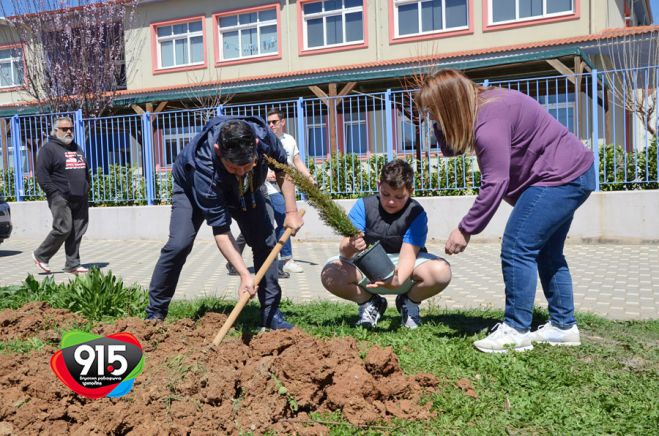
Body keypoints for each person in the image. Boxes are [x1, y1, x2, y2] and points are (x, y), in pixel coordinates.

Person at [415, 69, 595, 353]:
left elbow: (496, 182)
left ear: (450, 105)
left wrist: (466, 228)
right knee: (547, 252)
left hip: (558, 179)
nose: (432, 117)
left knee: (516, 247)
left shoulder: (490, 121)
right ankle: (563, 326)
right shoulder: (481, 105)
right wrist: (439, 123)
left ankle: (516, 329)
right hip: (572, 174)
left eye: (434, 111)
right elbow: (452, 150)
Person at [145, 115, 303, 329]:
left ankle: (271, 312)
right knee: (178, 245)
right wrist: (244, 275)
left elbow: (283, 170)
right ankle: (155, 313)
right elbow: (221, 231)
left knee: (265, 241)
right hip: (191, 190)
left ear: (255, 147)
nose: (240, 172)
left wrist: (291, 211)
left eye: (247, 166)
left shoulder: (263, 137)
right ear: (219, 151)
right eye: (234, 167)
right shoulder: (204, 167)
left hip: (247, 190)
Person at [321, 159, 452, 329]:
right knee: (330, 274)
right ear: (378, 185)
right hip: (366, 266)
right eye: (386, 194)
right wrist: (351, 245)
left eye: (399, 197)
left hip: (406, 265)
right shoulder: (363, 205)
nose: (391, 202)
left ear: (411, 191)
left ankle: (408, 302)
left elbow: (408, 255)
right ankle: (370, 303)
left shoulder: (416, 213)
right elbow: (344, 252)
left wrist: (396, 281)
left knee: (441, 272)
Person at [226, 108, 314, 276]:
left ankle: (281, 261)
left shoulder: (289, 140)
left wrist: (309, 177)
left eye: (274, 121)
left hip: (284, 188)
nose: (271, 125)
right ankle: (280, 262)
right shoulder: (261, 139)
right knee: (266, 226)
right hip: (265, 188)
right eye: (269, 122)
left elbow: (296, 161)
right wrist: (267, 175)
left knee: (264, 227)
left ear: (283, 122)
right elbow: (254, 164)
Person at [32, 116, 90, 275]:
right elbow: (42, 175)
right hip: (60, 197)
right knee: (63, 228)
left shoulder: (76, 148)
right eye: (64, 129)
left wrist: (87, 187)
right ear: (56, 130)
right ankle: (41, 255)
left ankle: (72, 264)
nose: (69, 131)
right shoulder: (48, 149)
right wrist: (54, 193)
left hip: (80, 196)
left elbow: (85, 170)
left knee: (77, 230)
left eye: (71, 128)